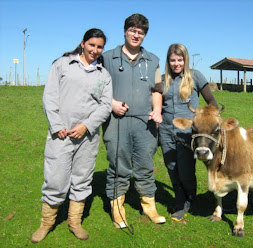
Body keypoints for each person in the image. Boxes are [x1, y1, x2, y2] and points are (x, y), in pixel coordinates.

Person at [31, 28, 113, 243]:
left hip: (87, 137)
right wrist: (57, 125)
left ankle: (74, 222)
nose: (95, 50)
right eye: (92, 45)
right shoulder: (62, 64)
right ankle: (46, 223)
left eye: (99, 47)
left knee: (82, 179)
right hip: (61, 134)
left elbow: (105, 106)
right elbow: (50, 96)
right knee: (56, 179)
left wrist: (86, 125)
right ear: (83, 43)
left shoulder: (103, 74)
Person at [102, 13, 165, 228]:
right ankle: (118, 209)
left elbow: (157, 90)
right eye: (132, 30)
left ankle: (149, 207)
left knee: (145, 165)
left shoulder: (153, 60)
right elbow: (96, 86)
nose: (136, 35)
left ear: (145, 35)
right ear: (125, 31)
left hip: (145, 123)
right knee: (118, 165)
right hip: (115, 122)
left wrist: (157, 110)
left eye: (140, 32)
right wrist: (111, 103)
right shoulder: (107, 57)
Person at [158, 43, 218, 221]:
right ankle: (179, 200)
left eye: (180, 60)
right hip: (166, 130)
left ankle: (190, 198)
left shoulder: (195, 76)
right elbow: (156, 104)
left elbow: (211, 102)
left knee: (185, 169)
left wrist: (206, 122)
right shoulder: (162, 80)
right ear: (168, 61)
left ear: (185, 60)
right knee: (171, 167)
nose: (176, 63)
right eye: (173, 60)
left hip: (187, 132)